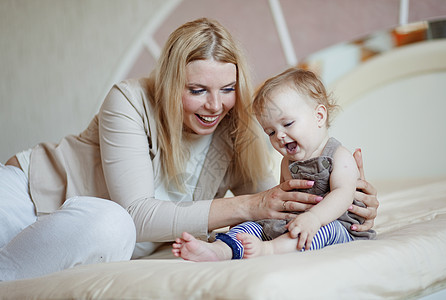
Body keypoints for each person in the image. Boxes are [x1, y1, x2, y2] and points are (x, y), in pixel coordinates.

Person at [0, 18, 378, 281]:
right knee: (114, 221)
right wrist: (251, 204)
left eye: (227, 90)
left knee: (110, 227)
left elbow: (274, 206)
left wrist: (347, 204)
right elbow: (138, 215)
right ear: (169, 83)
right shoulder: (128, 101)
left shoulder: (237, 128)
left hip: (89, 235)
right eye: (197, 90)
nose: (215, 106)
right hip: (27, 195)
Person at [172, 68, 376, 261]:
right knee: (251, 226)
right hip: (295, 221)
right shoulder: (287, 163)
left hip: (336, 226)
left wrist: (314, 218)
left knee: (319, 231)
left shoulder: (339, 156)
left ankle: (269, 249)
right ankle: (220, 250)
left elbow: (343, 194)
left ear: (319, 116)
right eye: (270, 132)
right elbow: (283, 200)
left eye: (287, 124)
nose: (279, 135)